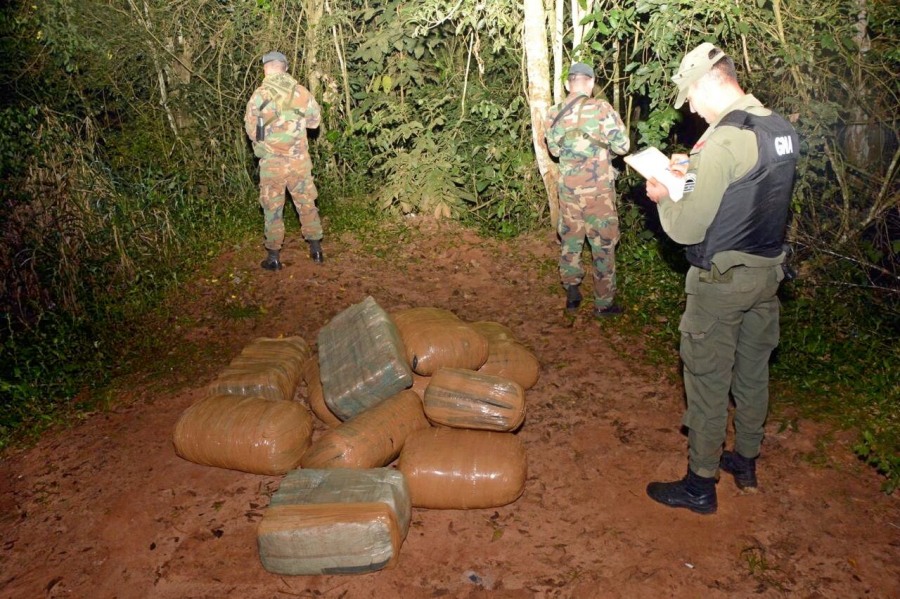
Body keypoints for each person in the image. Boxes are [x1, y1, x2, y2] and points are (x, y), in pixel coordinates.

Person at [644, 43, 799, 514]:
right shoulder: (777, 126)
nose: (690, 106)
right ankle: (745, 460)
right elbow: (750, 187)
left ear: (712, 80)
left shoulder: (722, 139)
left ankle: (699, 484)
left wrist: (663, 195)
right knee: (753, 372)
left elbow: (689, 226)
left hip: (723, 281)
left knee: (709, 380)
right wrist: (692, 173)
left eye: (690, 95)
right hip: (767, 273)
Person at [545, 62, 630, 317]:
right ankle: (604, 303)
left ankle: (572, 291)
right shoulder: (602, 109)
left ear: (567, 84)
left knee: (571, 240)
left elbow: (555, 151)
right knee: (603, 245)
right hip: (598, 193)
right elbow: (623, 146)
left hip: (569, 191)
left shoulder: (553, 113)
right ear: (591, 83)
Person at [244, 51, 324, 270]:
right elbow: (314, 122)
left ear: (265, 68)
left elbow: (252, 132)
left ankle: (273, 258)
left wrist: (270, 132)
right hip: (299, 161)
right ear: (285, 68)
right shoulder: (301, 92)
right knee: (306, 202)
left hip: (273, 164)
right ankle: (316, 250)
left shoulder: (259, 96)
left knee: (272, 207)